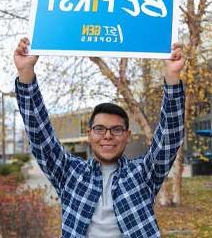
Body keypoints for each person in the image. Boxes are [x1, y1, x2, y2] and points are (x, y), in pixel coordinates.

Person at [14, 37, 185, 238]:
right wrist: (25, 73)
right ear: (89, 134)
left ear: (127, 136)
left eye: (116, 130)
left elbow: (169, 138)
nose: (108, 136)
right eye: (100, 129)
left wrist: (172, 76)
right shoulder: (70, 173)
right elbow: (41, 137)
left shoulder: (144, 173)